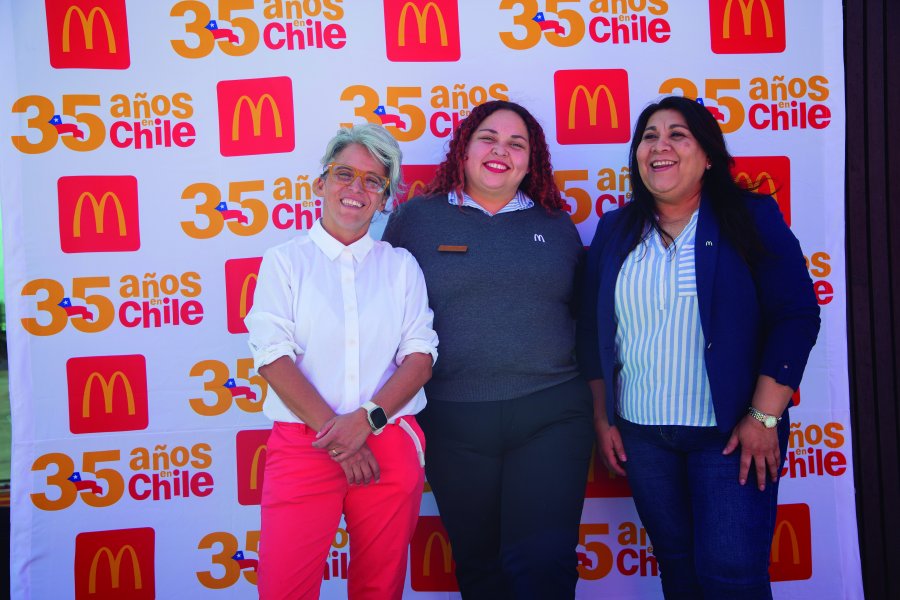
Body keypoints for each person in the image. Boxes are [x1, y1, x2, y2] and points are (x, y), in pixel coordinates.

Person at [577, 95, 821, 599]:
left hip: (730, 434)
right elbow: (592, 332)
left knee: (732, 575)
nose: (659, 145)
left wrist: (764, 418)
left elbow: (796, 315)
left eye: (677, 134)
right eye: (649, 136)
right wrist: (604, 419)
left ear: (707, 155)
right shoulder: (615, 229)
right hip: (643, 437)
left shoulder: (751, 217)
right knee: (679, 571)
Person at [382, 100, 594, 599]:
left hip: (551, 415)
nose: (501, 151)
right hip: (453, 422)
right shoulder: (414, 221)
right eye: (488, 138)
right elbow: (383, 318)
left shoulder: (557, 226)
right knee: (481, 569)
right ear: (464, 149)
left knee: (543, 564)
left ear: (531, 159)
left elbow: (584, 322)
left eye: (516, 143)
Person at [245, 123, 438, 600]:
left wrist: (367, 422)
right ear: (321, 183)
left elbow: (420, 357)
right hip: (303, 446)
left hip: (389, 443)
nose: (357, 189)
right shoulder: (285, 262)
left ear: (385, 197)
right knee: (283, 589)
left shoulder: (400, 267)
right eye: (344, 174)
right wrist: (341, 436)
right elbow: (271, 356)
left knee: (379, 587)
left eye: (373, 180)